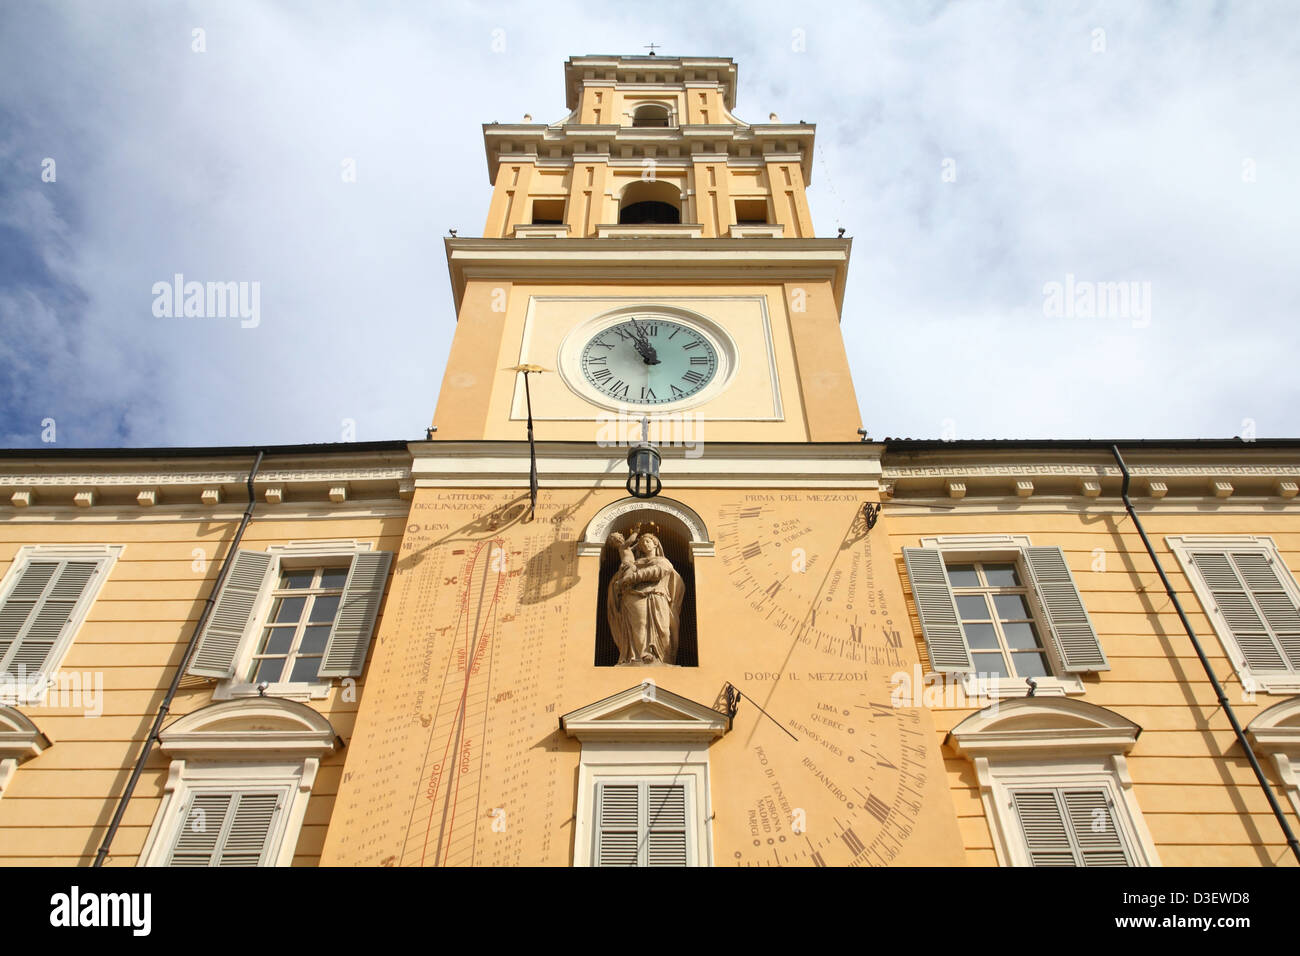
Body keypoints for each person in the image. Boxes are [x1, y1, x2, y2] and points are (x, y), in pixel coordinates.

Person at [607, 532, 683, 664]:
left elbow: (658, 571)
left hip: (658, 596)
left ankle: (664, 659)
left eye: (648, 541)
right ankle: (641, 655)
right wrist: (624, 577)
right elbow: (620, 578)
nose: (644, 544)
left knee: (664, 630)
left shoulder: (663, 562)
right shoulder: (633, 563)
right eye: (642, 543)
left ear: (655, 543)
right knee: (640, 625)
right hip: (634, 596)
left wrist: (632, 578)